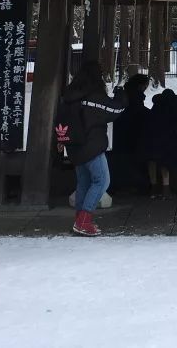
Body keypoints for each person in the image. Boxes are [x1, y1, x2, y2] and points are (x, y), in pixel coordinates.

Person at [63, 60, 128, 236]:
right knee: (102, 181)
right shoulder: (94, 96)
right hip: (91, 145)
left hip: (73, 146)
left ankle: (79, 220)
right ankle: (84, 221)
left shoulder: (70, 95)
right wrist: (120, 94)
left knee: (83, 183)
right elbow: (114, 111)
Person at [145, 88, 177, 199]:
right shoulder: (173, 106)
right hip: (167, 140)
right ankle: (166, 189)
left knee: (152, 162)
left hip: (151, 139)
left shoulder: (155, 106)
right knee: (165, 163)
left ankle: (153, 188)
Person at [112, 73, 151, 193]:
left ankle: (120, 184)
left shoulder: (125, 93)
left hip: (121, 130)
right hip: (132, 130)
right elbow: (137, 111)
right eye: (145, 86)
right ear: (140, 86)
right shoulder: (135, 97)